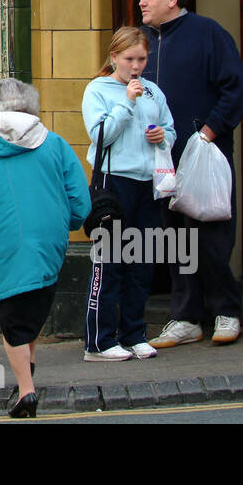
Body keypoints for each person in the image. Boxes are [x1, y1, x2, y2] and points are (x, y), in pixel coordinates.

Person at [0, 78, 91, 418]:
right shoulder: (54, 143)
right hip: (50, 240)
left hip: (5, 239)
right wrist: (64, 223)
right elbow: (80, 205)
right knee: (34, 307)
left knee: (12, 318)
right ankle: (29, 372)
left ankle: (27, 392)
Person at [138, 0, 243, 348]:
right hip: (161, 158)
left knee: (210, 233)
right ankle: (186, 317)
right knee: (174, 237)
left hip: (203, 151)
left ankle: (226, 311)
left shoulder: (208, 33)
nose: (142, 0)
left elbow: (236, 87)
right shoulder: (142, 42)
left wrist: (209, 131)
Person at [81, 27, 176, 362]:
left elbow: (170, 129)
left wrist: (162, 136)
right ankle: (99, 341)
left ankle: (134, 333)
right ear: (114, 58)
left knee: (142, 260)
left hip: (146, 183)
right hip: (113, 182)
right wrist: (127, 102)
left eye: (141, 59)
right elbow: (100, 134)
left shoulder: (153, 92)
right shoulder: (98, 89)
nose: (136, 66)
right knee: (110, 261)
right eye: (129, 59)